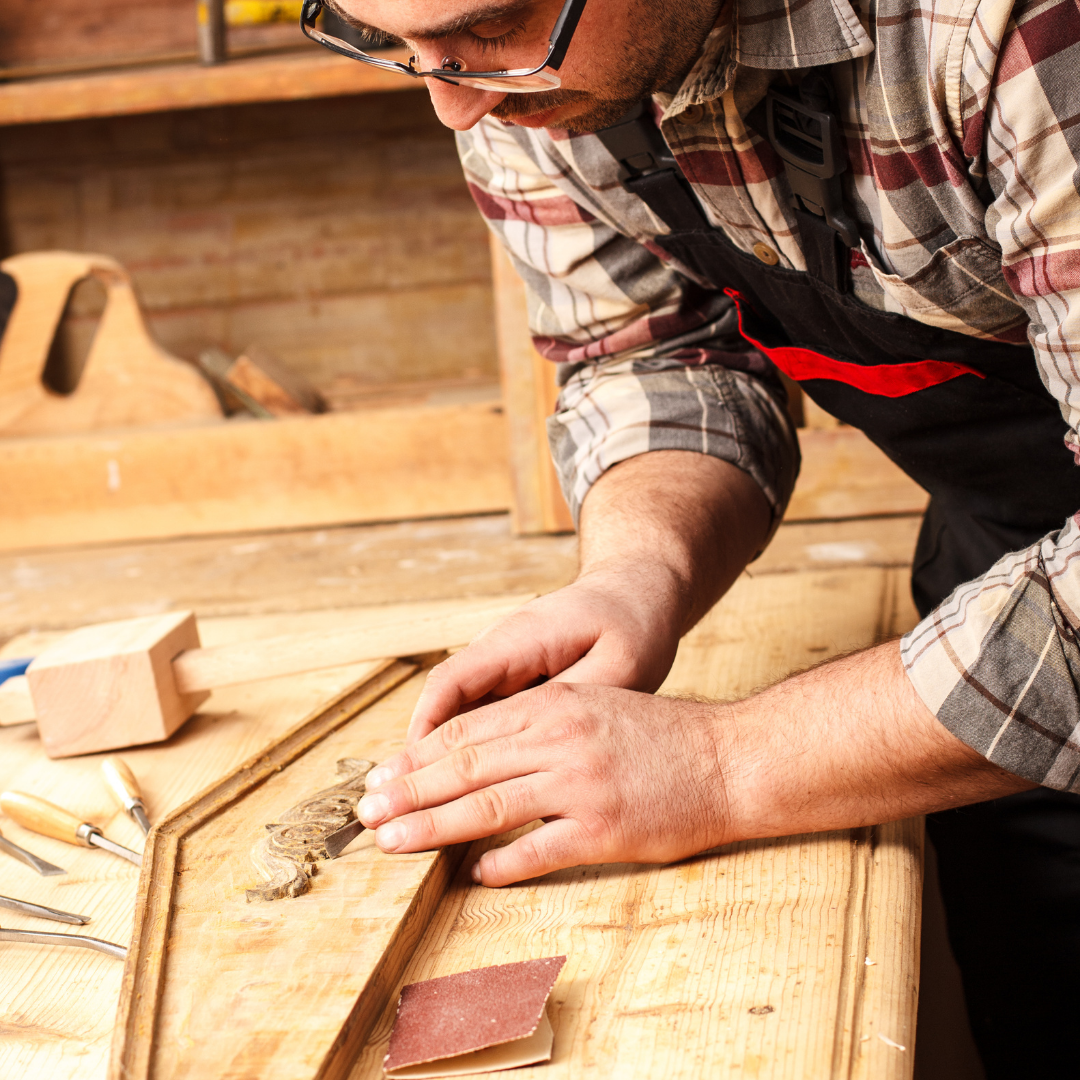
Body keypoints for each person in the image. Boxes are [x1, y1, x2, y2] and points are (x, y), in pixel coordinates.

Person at [303, 0, 1080, 1073]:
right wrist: (635, 573)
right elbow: (657, 356)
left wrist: (724, 765)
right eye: (389, 41)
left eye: (490, 27)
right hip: (996, 573)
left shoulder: (1009, 30)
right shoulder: (515, 70)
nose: (454, 101)